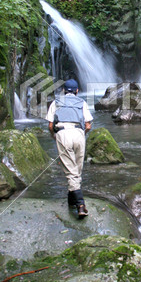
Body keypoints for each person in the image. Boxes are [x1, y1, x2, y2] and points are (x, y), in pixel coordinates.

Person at [46, 79, 93, 218]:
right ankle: (71, 199)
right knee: (77, 170)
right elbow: (88, 125)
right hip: (79, 134)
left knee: (71, 172)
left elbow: (50, 126)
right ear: (77, 91)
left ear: (63, 91)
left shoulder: (56, 102)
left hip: (63, 133)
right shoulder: (82, 103)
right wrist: (82, 134)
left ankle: (80, 205)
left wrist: (55, 136)